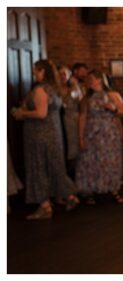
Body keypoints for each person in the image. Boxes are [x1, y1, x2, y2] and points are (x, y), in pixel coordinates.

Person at [13, 59, 80, 219]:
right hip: (53, 133)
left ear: (44, 71)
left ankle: (44, 205)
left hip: (39, 134)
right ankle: (70, 196)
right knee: (55, 165)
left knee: (38, 168)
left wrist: (21, 113)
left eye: (37, 70)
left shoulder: (41, 89)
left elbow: (41, 113)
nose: (34, 73)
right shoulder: (54, 89)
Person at [76, 70, 123, 205]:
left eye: (92, 79)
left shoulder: (112, 95)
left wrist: (113, 109)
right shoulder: (86, 98)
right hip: (92, 133)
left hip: (109, 133)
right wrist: (80, 137)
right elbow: (82, 117)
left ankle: (113, 189)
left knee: (110, 160)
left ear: (100, 80)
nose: (89, 82)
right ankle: (91, 191)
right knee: (92, 161)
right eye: (88, 80)